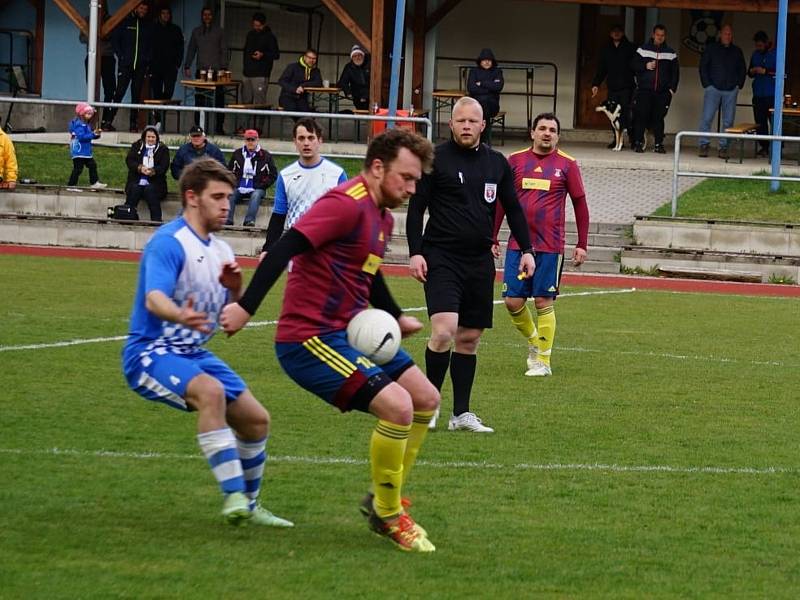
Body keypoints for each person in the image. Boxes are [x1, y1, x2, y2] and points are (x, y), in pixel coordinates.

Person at [219, 129, 439, 553]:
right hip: (309, 338)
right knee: (398, 407)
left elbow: (368, 271)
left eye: (416, 181)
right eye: (406, 178)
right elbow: (286, 247)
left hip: (349, 333)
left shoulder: (382, 216)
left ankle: (383, 499)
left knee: (426, 399)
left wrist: (394, 316)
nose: (412, 189)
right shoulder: (344, 204)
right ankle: (389, 514)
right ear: (377, 167)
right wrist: (246, 307)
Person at [121, 158, 293, 528]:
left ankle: (250, 502)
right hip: (150, 351)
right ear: (191, 198)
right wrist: (180, 315)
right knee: (211, 393)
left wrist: (234, 291)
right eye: (217, 196)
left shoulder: (222, 252)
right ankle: (233, 494)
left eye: (229, 197)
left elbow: (229, 322)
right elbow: (154, 299)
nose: (225, 205)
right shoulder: (169, 242)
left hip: (193, 353)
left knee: (256, 421)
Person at [406, 96, 535, 433]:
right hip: (441, 257)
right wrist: (415, 252)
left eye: (472, 121)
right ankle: (429, 404)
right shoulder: (433, 159)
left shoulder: (497, 163)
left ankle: (460, 414)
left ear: (483, 124)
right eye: (460, 120)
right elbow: (416, 208)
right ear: (451, 125)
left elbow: (514, 209)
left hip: (479, 260)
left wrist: (527, 249)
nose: (466, 126)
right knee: (444, 330)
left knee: (469, 339)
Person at [497, 113, 589, 377]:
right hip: (518, 244)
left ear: (558, 136)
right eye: (543, 128)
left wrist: (582, 243)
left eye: (553, 130)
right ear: (532, 132)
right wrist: (492, 236)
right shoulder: (514, 161)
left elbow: (580, 204)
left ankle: (543, 362)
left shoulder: (568, 165)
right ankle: (535, 342)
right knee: (513, 301)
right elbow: (503, 203)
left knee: (542, 300)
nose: (547, 133)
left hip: (550, 245)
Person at [262, 118, 347, 250]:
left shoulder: (337, 175)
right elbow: (279, 216)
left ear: (320, 141)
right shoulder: (285, 176)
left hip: (326, 251)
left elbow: (345, 216)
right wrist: (267, 249)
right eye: (301, 138)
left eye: (311, 138)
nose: (306, 143)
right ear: (295, 142)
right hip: (295, 251)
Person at [697, 25, 746, 159]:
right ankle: (703, 145)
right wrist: (707, 85)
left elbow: (742, 69)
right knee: (707, 118)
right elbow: (703, 67)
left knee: (728, 121)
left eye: (730, 34)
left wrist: (738, 85)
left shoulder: (737, 51)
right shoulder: (711, 48)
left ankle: (723, 147)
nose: (727, 36)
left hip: (731, 90)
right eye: (725, 34)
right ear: (720, 34)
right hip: (713, 88)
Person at [631, 24, 679, 154]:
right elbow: (633, 65)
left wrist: (672, 90)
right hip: (644, 90)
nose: (660, 38)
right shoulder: (642, 49)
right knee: (641, 117)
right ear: (653, 35)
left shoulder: (671, 53)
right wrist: (645, 65)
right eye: (658, 35)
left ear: (665, 36)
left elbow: (675, 73)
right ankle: (638, 143)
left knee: (659, 118)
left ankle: (659, 144)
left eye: (662, 35)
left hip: (662, 92)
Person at [109, 1, 154, 133]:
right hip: (126, 65)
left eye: (145, 9)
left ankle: (133, 124)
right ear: (135, 8)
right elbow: (115, 40)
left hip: (140, 66)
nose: (143, 11)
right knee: (119, 93)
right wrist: (121, 56)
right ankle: (107, 121)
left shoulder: (148, 25)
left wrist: (146, 60)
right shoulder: (125, 22)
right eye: (141, 8)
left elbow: (151, 46)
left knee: (136, 95)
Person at [591, 24, 636, 149]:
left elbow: (636, 66)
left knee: (627, 113)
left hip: (627, 86)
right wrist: (596, 84)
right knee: (612, 115)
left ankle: (632, 139)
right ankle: (616, 140)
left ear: (622, 33)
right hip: (612, 87)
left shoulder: (630, 47)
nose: (616, 34)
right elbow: (602, 68)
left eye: (619, 32)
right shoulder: (606, 49)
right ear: (610, 34)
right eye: (614, 32)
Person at [184, 6, 228, 134]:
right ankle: (198, 128)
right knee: (199, 100)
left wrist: (224, 67)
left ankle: (219, 127)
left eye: (209, 14)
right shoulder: (196, 31)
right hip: (201, 71)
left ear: (213, 16)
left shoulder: (219, 31)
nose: (207, 17)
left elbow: (224, 50)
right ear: (202, 16)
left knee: (219, 100)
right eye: (204, 15)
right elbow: (192, 48)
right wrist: (187, 65)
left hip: (216, 72)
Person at [227, 129, 277, 227]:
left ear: (257, 140)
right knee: (230, 194)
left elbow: (273, 174)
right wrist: (234, 183)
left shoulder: (265, 155)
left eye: (253, 140)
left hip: (257, 187)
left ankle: (249, 221)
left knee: (256, 195)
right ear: (245, 141)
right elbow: (229, 171)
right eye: (248, 140)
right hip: (240, 186)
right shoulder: (237, 154)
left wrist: (262, 185)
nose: (250, 142)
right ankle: (228, 220)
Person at [79, 1, 117, 131]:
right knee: (91, 91)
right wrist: (94, 36)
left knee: (110, 90)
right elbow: (82, 38)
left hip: (107, 57)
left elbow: (115, 38)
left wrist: (103, 36)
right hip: (91, 56)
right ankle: (91, 121)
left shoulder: (112, 20)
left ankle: (106, 121)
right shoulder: (88, 19)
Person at [124, 125, 170, 222]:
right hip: (137, 180)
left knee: (150, 190)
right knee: (135, 189)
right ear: (144, 137)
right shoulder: (136, 146)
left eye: (153, 137)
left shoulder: (163, 149)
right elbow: (130, 161)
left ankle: (156, 220)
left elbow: (164, 166)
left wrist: (152, 171)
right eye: (148, 137)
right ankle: (128, 216)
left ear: (157, 138)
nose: (150, 139)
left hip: (155, 184)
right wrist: (140, 168)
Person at [242, 12, 280, 106]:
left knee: (259, 102)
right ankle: (246, 121)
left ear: (264, 24)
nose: (256, 27)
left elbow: (276, 55)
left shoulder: (270, 37)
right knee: (246, 101)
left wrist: (263, 55)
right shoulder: (250, 34)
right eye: (254, 25)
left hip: (261, 74)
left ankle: (259, 120)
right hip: (247, 73)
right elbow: (246, 51)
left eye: (259, 25)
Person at [749, 31, 777, 158]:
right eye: (757, 46)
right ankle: (764, 147)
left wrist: (765, 71)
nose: (758, 48)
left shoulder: (775, 54)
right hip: (758, 94)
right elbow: (749, 72)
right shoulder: (755, 55)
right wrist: (753, 71)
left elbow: (782, 73)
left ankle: (776, 148)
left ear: (766, 43)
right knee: (760, 122)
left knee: (774, 122)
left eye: (760, 45)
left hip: (772, 94)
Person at [467, 48, 504, 144]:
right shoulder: (474, 71)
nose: (487, 62)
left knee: (485, 101)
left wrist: (481, 83)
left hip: (492, 106)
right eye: (484, 60)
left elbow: (498, 87)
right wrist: (489, 88)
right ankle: (481, 138)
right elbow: (471, 88)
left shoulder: (497, 71)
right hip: (475, 106)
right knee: (481, 102)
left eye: (489, 60)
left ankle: (482, 139)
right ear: (480, 61)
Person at [67, 103, 107, 189]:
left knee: (92, 165)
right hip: (79, 150)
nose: (90, 116)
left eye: (91, 114)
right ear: (81, 114)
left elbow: (88, 136)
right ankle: (71, 185)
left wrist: (96, 135)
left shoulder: (85, 124)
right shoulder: (79, 124)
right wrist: (93, 134)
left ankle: (94, 183)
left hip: (85, 151)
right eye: (88, 114)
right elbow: (81, 137)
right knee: (78, 168)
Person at [150, 7, 184, 102]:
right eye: (163, 13)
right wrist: (150, 64)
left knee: (169, 92)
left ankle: (162, 111)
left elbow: (180, 48)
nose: (165, 15)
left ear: (170, 15)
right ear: (159, 15)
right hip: (156, 67)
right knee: (156, 93)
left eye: (167, 13)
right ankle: (158, 114)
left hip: (171, 67)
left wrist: (177, 64)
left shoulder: (176, 30)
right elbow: (148, 46)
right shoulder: (153, 28)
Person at [277, 48, 322, 114]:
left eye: (314, 58)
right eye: (309, 58)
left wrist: (303, 85)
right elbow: (282, 81)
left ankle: (302, 123)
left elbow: (318, 82)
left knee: (306, 114)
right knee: (294, 111)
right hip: (287, 96)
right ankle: (301, 123)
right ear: (304, 57)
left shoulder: (315, 70)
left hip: (302, 97)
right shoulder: (293, 67)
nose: (311, 60)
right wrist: (295, 89)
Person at [337, 45, 370, 110]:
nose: (357, 58)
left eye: (359, 55)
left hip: (371, 94)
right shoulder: (349, 67)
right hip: (357, 96)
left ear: (363, 56)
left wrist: (366, 95)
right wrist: (348, 92)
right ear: (352, 58)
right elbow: (343, 81)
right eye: (354, 56)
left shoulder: (370, 64)